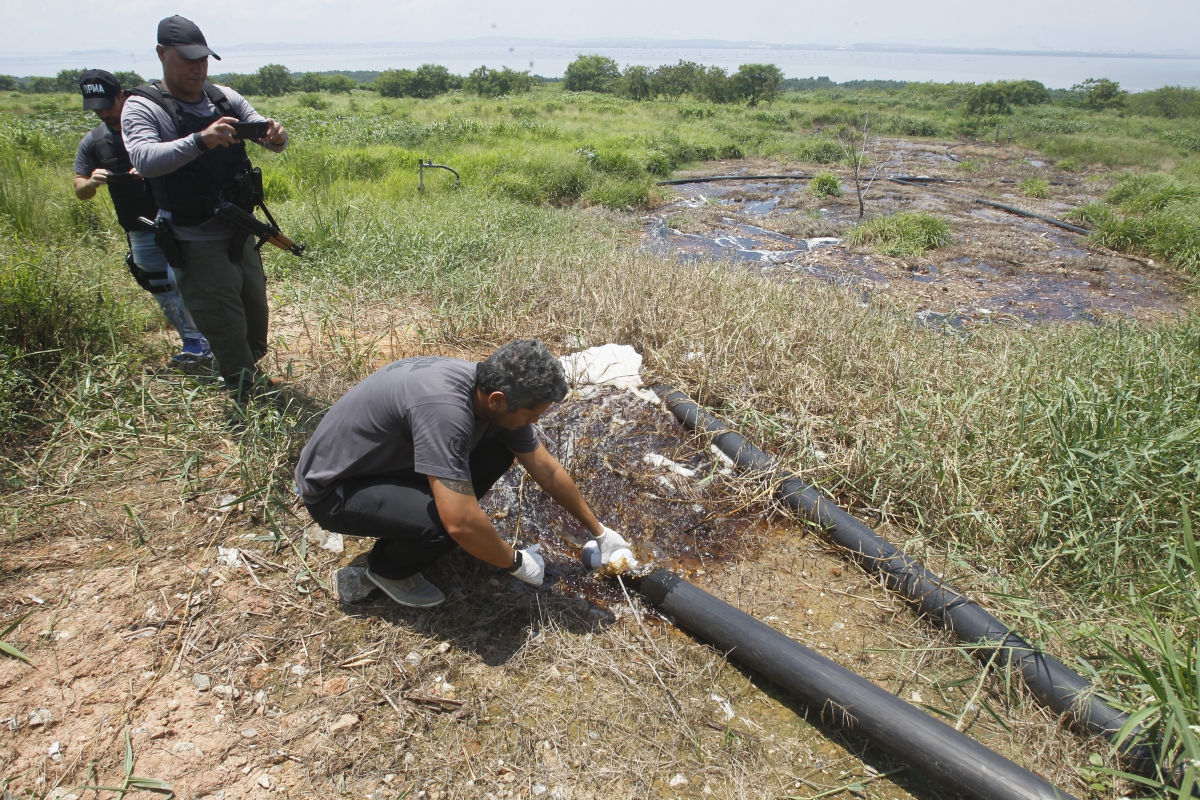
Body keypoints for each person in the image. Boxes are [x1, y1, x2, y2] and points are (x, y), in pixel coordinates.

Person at [294, 340, 638, 608]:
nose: (531, 425)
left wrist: (599, 531)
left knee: (502, 447)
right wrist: (517, 563)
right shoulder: (445, 410)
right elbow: (459, 522)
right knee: (447, 526)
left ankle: (428, 522)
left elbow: (544, 469)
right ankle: (388, 570)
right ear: (498, 401)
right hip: (336, 489)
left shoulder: (485, 389)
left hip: (386, 464)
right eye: (530, 417)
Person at [122, 16, 289, 400]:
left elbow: (267, 134)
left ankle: (244, 372)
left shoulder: (224, 98)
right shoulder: (144, 106)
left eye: (203, 60)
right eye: (187, 60)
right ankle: (245, 393)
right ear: (163, 54)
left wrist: (276, 136)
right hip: (193, 236)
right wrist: (200, 140)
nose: (198, 68)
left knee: (253, 319)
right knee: (224, 322)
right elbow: (145, 158)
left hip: (239, 230)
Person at [73, 69, 211, 364]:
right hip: (138, 228)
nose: (103, 113)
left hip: (176, 221)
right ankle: (192, 344)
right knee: (161, 287)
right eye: (95, 108)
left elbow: (190, 160)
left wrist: (152, 166)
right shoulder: (94, 142)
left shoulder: (151, 123)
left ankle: (213, 341)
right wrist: (92, 182)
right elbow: (80, 190)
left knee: (187, 284)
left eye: (107, 105)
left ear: (121, 96)